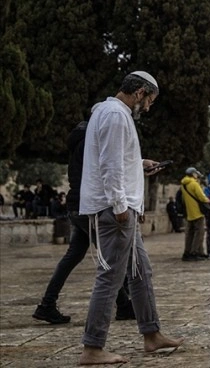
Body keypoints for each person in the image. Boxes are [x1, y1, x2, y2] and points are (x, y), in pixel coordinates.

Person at [78, 71, 182, 365]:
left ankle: (152, 334)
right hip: (115, 212)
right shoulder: (114, 115)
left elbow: (117, 161)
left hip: (122, 209)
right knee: (110, 278)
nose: (148, 107)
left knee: (140, 272)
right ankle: (92, 347)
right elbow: (109, 166)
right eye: (149, 101)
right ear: (139, 93)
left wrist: (139, 165)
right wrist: (120, 206)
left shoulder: (112, 113)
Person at [33, 121, 134, 325]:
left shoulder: (78, 142)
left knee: (74, 256)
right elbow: (106, 171)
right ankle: (123, 306)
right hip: (90, 207)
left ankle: (47, 304)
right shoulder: (92, 142)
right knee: (111, 256)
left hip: (76, 206)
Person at [180, 167, 210, 261]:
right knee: (199, 233)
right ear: (193, 174)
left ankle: (188, 251)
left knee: (189, 233)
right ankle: (194, 252)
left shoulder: (183, 184)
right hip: (197, 212)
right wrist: (207, 200)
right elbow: (201, 196)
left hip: (189, 212)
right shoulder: (194, 184)